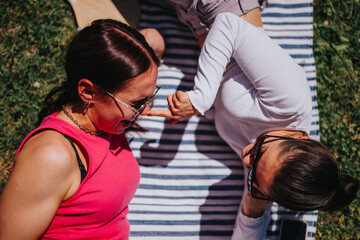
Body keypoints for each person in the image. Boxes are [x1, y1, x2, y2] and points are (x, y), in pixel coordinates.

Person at [147, 11, 359, 239]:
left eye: (254, 180)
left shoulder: (266, 170)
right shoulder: (289, 100)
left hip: (191, 22)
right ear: (299, 139)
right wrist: (201, 99)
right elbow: (228, 23)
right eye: (260, 150)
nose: (246, 159)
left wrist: (253, 207)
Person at [0, 19, 160, 239]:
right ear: (88, 92)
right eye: (137, 103)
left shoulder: (104, 122)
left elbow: (155, 41)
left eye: (150, 98)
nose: (146, 110)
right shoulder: (51, 157)